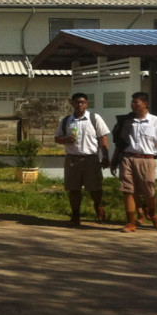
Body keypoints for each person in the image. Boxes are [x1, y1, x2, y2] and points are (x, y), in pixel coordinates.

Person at [109, 92, 157, 233]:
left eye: (136, 102)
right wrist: (114, 160)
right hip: (128, 158)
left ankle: (153, 214)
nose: (133, 105)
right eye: (132, 102)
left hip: (147, 160)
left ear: (145, 104)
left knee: (149, 192)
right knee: (128, 190)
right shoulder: (127, 121)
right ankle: (131, 222)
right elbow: (120, 143)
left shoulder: (155, 121)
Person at [53, 93, 110, 227]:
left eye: (82, 102)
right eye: (77, 102)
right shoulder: (66, 120)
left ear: (87, 104)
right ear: (72, 103)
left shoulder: (94, 118)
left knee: (95, 188)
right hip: (72, 159)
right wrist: (65, 139)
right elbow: (57, 138)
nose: (80, 105)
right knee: (73, 188)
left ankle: (98, 207)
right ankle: (75, 214)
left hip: (91, 159)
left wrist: (105, 156)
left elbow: (103, 137)